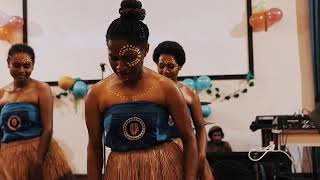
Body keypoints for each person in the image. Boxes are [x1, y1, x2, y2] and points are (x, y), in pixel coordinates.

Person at [84, 0, 198, 180]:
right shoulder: (96, 94)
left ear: (145, 50)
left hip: (163, 169)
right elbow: (95, 147)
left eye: (129, 58)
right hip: (119, 171)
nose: (120, 66)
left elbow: (190, 138)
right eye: (113, 58)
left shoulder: (166, 88)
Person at [0, 43, 73, 180]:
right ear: (8, 64)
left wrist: (38, 161)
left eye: (26, 66)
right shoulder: (2, 93)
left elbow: (48, 129)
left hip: (38, 153)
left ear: (33, 66)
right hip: (8, 158)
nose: (22, 70)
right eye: (16, 65)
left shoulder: (41, 89)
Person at [152, 40, 215, 180]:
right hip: (157, 151)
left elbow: (200, 127)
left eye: (171, 66)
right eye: (161, 66)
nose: (165, 71)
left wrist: (202, 155)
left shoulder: (189, 93)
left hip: (186, 148)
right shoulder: (150, 92)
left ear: (180, 66)